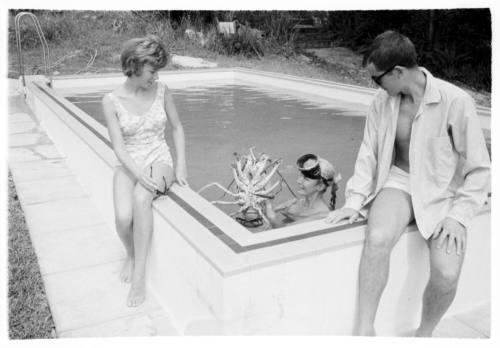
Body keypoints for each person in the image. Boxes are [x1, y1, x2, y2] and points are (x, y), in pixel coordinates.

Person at [325, 30, 490, 336]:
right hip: (399, 181)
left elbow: (481, 168)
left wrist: (458, 216)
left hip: (443, 194)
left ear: (398, 72)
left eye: (377, 78)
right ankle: (365, 329)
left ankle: (423, 334)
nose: (374, 85)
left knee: (447, 272)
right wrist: (354, 200)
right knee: (376, 239)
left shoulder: (455, 101)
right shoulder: (382, 102)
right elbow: (369, 152)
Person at [102, 35, 188, 307]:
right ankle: (131, 253)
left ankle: (139, 278)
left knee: (142, 199)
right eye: (153, 70)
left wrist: (181, 163)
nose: (156, 75)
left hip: (159, 158)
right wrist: (138, 174)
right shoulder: (110, 101)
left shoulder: (162, 90)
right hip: (129, 163)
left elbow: (177, 128)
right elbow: (118, 147)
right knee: (122, 218)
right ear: (135, 65)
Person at [265, 154, 341, 228]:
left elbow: (285, 232)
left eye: (306, 179)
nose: (298, 181)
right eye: (300, 176)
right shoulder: (294, 203)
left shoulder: (323, 216)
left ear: (320, 186)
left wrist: (272, 216)